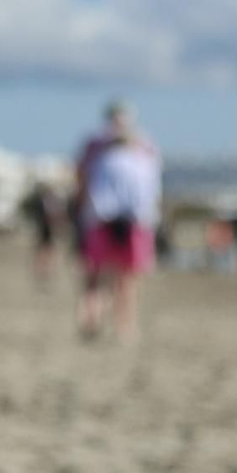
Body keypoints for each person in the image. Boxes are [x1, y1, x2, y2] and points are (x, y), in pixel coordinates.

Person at [77, 100, 160, 340]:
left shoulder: (94, 148)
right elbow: (152, 190)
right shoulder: (144, 148)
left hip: (101, 218)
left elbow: (81, 181)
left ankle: (95, 318)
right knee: (125, 278)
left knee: (102, 275)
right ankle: (123, 326)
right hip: (130, 220)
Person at [24, 182, 64, 287]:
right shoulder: (42, 202)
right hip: (43, 229)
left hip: (47, 229)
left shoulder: (48, 202)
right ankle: (42, 271)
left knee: (47, 250)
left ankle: (46, 271)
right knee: (43, 250)